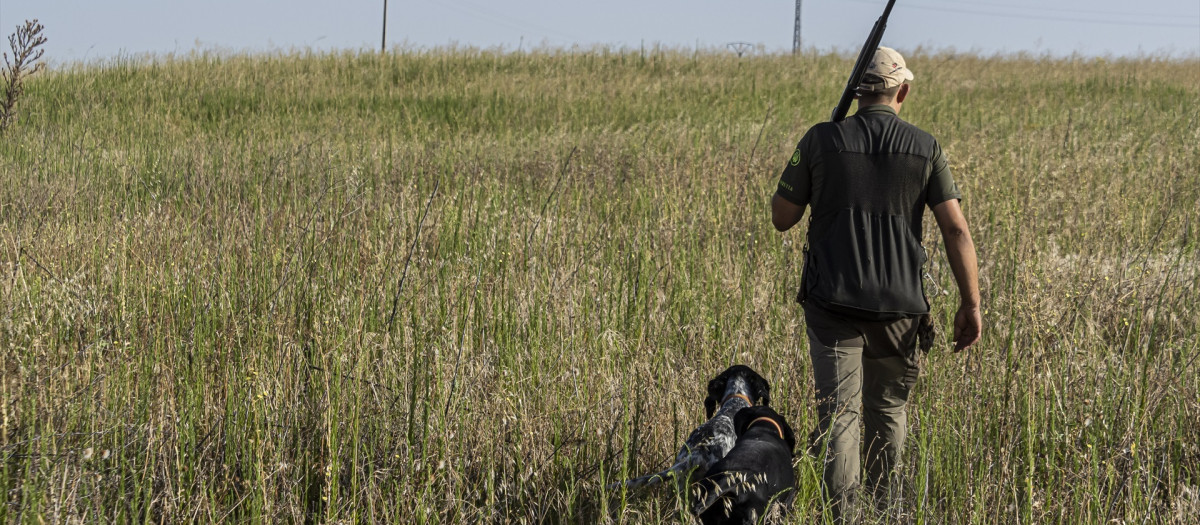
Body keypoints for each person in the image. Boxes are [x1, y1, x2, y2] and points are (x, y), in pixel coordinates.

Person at [770, 46, 982, 521]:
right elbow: (957, 230)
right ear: (901, 91)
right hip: (900, 311)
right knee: (887, 414)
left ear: (856, 92)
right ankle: (886, 514)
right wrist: (971, 303)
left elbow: (782, 217)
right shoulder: (926, 147)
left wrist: (814, 157)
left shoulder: (822, 139)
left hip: (832, 308)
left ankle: (843, 517)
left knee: (839, 420)